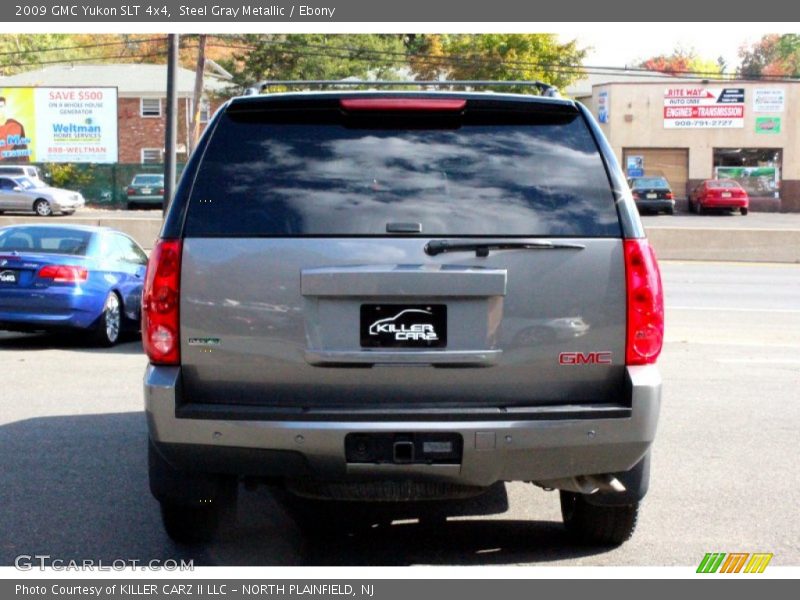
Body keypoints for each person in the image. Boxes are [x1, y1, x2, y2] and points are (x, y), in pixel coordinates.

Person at [0, 96, 30, 162]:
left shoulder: (15, 126)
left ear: (5, 108)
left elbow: (22, 151)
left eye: (1, 106)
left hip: (12, 167)